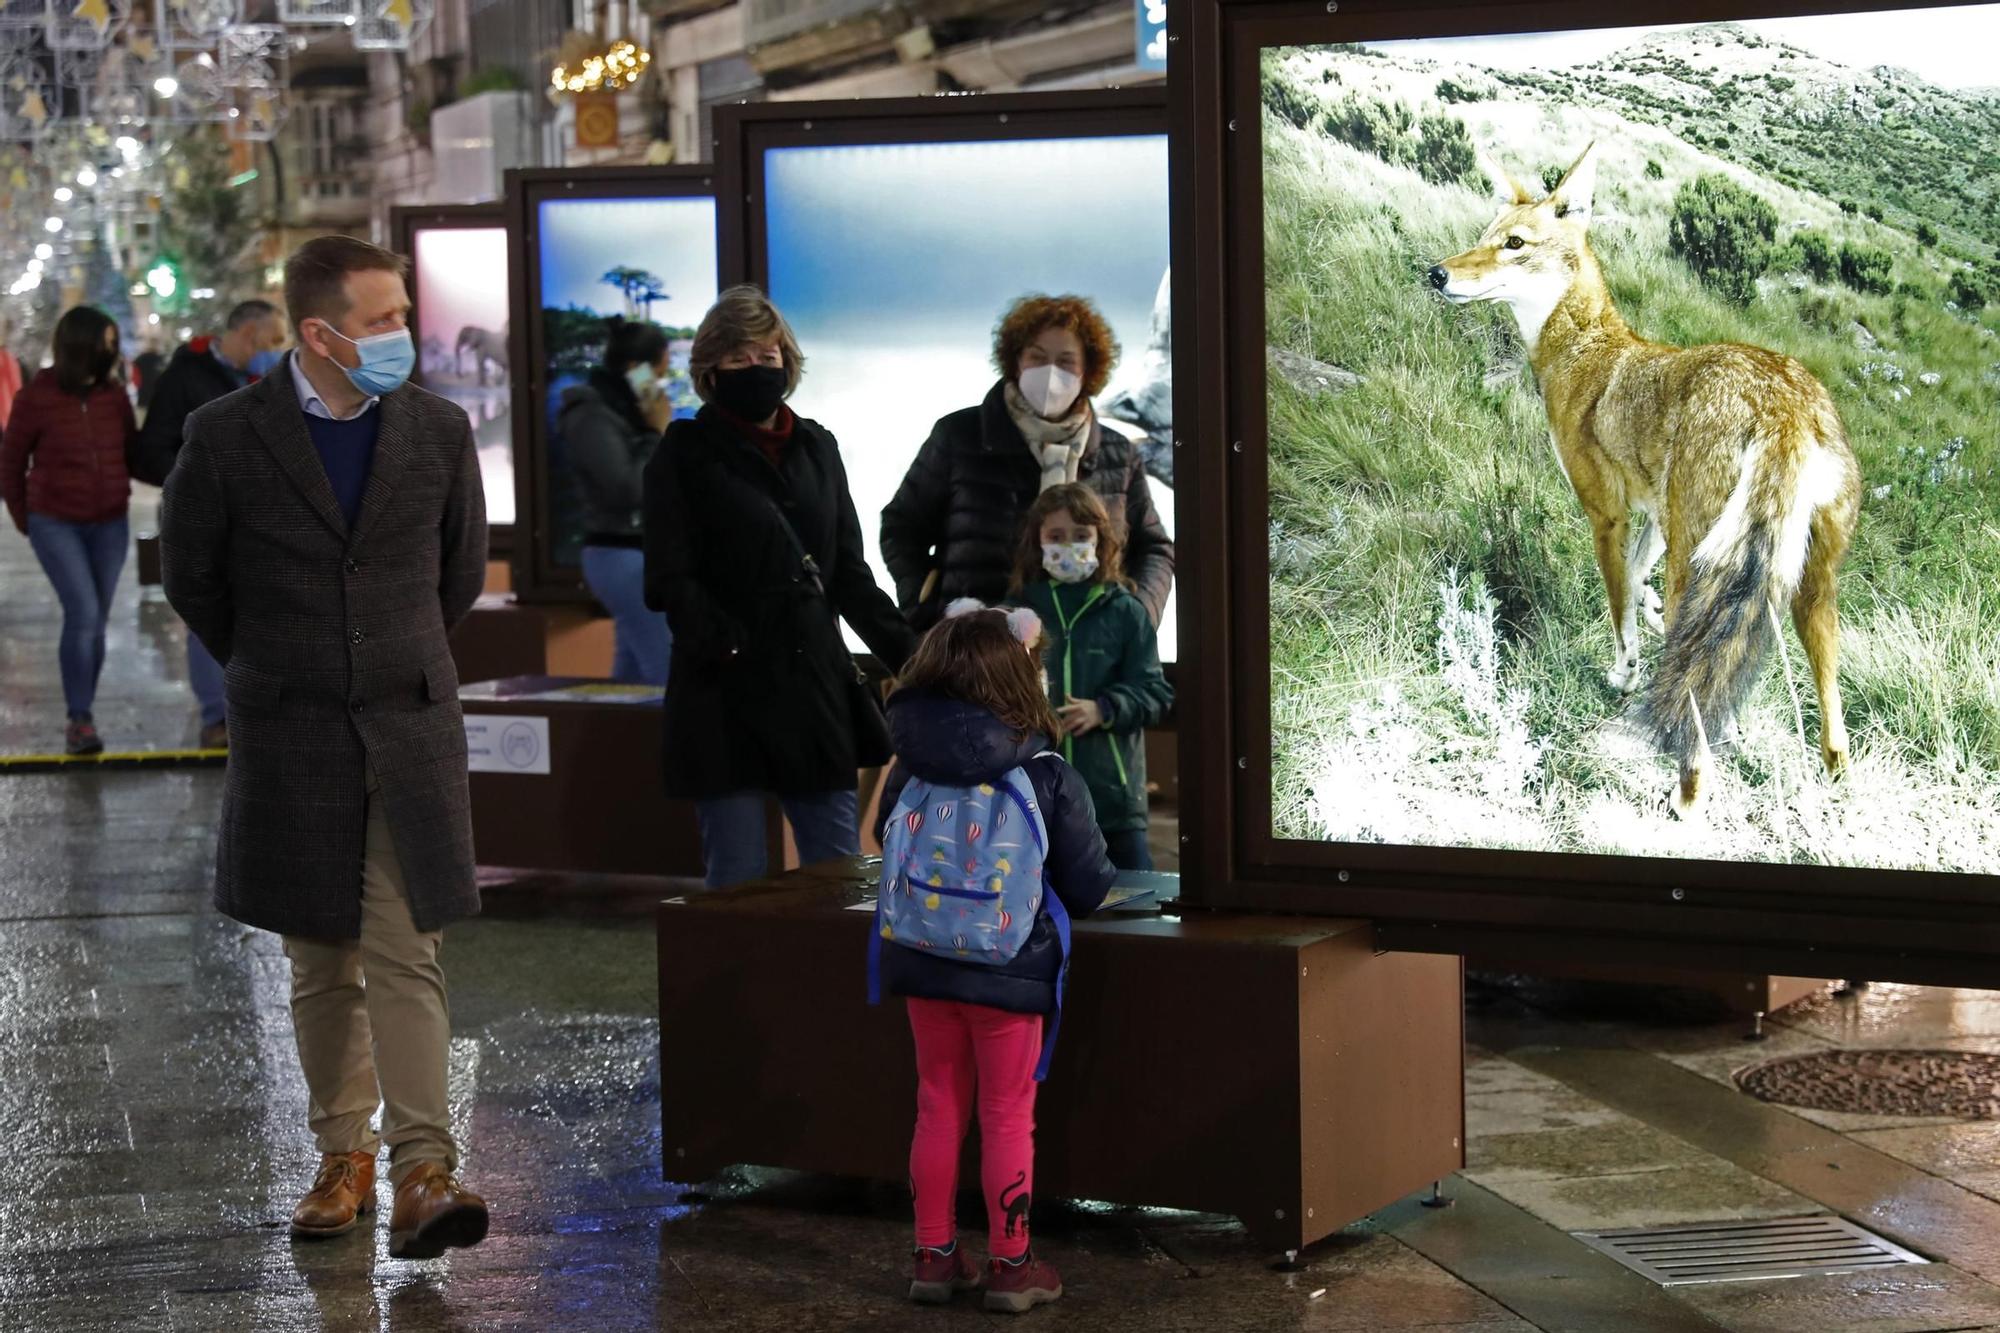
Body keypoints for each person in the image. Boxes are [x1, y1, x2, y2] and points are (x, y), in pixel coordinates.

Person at [159, 235, 491, 1260]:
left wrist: (390, 653)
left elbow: (459, 575)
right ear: (320, 332)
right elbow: (194, 577)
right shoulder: (224, 436)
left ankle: (424, 1169)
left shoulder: (436, 431)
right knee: (319, 955)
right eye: (383, 319)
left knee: (406, 947)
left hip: (407, 719)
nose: (403, 336)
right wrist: (272, 662)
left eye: (402, 315)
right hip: (294, 724)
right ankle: (340, 1154)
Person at [870, 608, 1116, 1314]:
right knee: (1007, 1114)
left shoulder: (909, 767)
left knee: (937, 1106)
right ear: (1020, 676)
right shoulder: (1045, 774)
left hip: (922, 960)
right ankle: (1013, 1265)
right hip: (1009, 971)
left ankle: (933, 1255)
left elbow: (887, 843)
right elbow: (1090, 886)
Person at [642, 284, 916, 889]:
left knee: (837, 874)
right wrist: (728, 645)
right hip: (723, 689)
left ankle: (832, 987)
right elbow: (668, 578)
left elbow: (848, 573)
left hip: (812, 684)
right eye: (738, 357)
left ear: (787, 363)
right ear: (710, 369)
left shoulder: (819, 446)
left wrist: (918, 660)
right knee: (737, 880)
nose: (756, 368)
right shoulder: (684, 452)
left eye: (767, 356)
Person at [880, 293, 1175, 631]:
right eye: (1037, 357)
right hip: (976, 654)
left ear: (1088, 370)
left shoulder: (1118, 454)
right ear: (1015, 360)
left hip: (1089, 660)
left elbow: (1154, 549)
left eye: (1066, 361)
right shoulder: (959, 436)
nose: (1051, 373)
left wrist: (1138, 617)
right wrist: (928, 610)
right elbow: (901, 526)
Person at [130, 299, 289, 749]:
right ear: (246, 335)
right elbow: (150, 452)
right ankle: (217, 717)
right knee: (208, 613)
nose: (279, 350)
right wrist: (200, 482)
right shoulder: (184, 377)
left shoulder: (276, 380)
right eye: (272, 340)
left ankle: (261, 709)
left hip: (266, 518)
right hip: (203, 517)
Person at [1009, 483, 1172, 870]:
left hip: (1112, 801)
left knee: (1133, 910)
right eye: (1056, 536)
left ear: (1101, 540)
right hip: (1034, 796)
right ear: (1038, 541)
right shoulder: (1018, 612)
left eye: (1081, 536)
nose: (1069, 546)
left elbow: (1156, 693)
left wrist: (1105, 709)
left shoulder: (1126, 612)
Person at [1, 306, 137, 755]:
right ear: (83, 345)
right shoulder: (37, 397)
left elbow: (132, 451)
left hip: (110, 524)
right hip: (55, 522)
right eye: (107, 342)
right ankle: (79, 717)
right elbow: (11, 462)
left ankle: (84, 708)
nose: (112, 351)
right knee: (82, 613)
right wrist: (27, 518)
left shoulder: (114, 396)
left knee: (95, 622)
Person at [559, 315, 674, 685]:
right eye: (657, 373)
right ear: (634, 368)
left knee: (631, 675)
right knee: (664, 671)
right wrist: (657, 432)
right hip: (619, 555)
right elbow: (627, 489)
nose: (659, 385)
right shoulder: (591, 415)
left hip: (643, 552)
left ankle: (615, 741)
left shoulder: (627, 413)